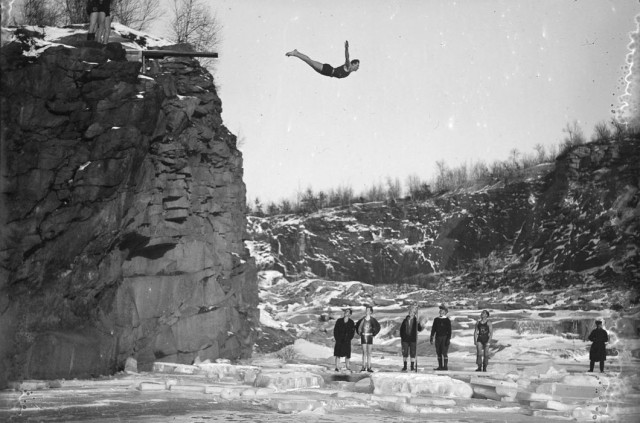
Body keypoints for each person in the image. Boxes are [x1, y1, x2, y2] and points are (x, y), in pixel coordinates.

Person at [286, 40, 360, 79]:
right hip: (328, 70)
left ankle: (296, 53)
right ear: (353, 64)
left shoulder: (349, 70)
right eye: (357, 65)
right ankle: (295, 53)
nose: (358, 67)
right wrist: (346, 48)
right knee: (310, 61)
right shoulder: (349, 66)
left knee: (310, 62)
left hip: (327, 73)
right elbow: (347, 57)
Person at [400, 304, 426, 372]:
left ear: (414, 313)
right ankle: (405, 366)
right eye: (410, 312)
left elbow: (419, 329)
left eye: (413, 312)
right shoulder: (405, 320)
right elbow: (401, 330)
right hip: (405, 339)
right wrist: (403, 337)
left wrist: (421, 324)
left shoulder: (416, 321)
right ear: (409, 312)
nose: (411, 313)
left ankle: (412, 367)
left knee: (413, 353)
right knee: (405, 353)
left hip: (413, 339)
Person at [355, 305, 380, 372]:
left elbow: (378, 327)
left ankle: (369, 367)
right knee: (364, 352)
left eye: (368, 310)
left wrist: (374, 333)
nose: (367, 311)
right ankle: (363, 367)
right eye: (366, 310)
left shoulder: (373, 320)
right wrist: (359, 333)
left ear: (371, 311)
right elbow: (357, 326)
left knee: (369, 352)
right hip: (363, 336)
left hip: (370, 337)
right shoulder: (362, 319)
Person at [333, 308, 356, 372]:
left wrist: (349, 339)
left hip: (347, 340)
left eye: (348, 312)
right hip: (339, 339)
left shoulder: (351, 322)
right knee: (337, 353)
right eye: (346, 311)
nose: (346, 312)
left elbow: (352, 332)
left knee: (347, 354)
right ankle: (337, 367)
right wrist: (337, 338)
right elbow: (335, 330)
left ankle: (347, 366)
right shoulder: (339, 321)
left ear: (350, 314)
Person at [430, 304, 452, 371]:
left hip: (444, 338)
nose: (441, 311)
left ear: (445, 312)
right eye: (440, 310)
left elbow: (449, 331)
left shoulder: (447, 320)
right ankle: (440, 366)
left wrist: (448, 339)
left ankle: (445, 367)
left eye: (442, 310)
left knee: (444, 352)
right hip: (438, 338)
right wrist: (431, 337)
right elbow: (433, 329)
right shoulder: (436, 319)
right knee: (438, 352)